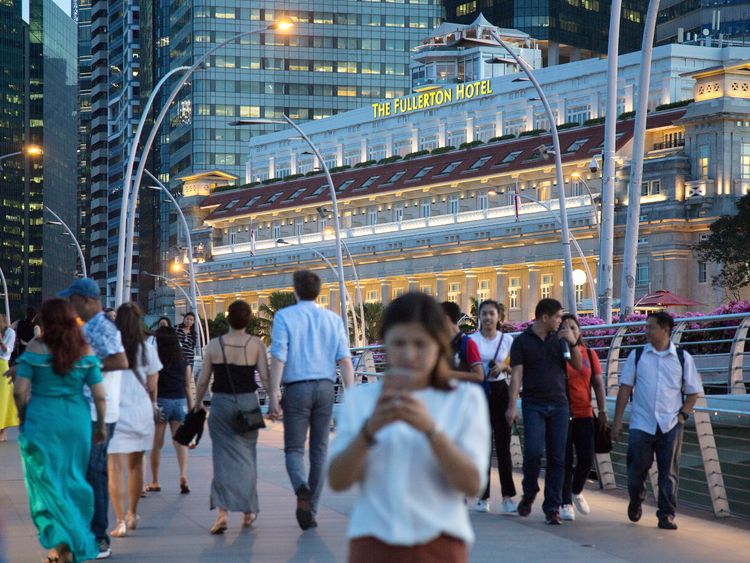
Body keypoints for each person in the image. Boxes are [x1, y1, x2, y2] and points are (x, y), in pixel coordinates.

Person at [328, 292, 490, 563]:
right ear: (386, 345)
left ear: (438, 345)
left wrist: (431, 431)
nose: (409, 354)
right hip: (373, 542)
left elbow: (472, 484)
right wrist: (369, 431)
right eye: (399, 343)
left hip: (440, 542)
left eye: (420, 343)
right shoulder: (361, 399)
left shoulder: (463, 399)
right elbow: (337, 480)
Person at [12, 298, 107, 563]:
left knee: (46, 483)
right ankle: (67, 544)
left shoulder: (36, 347)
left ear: (45, 320)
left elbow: (20, 390)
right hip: (76, 422)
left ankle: (63, 543)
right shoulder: (85, 350)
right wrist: (100, 425)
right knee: (73, 478)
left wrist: (23, 415)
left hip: (42, 422)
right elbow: (100, 396)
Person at [268, 270, 355, 530]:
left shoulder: (284, 317)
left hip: (297, 388)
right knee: (319, 451)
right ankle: (312, 509)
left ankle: (300, 487)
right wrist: (351, 395)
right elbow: (345, 361)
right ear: (318, 291)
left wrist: (273, 393)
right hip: (326, 387)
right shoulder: (332, 319)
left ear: (295, 289)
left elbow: (279, 357)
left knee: (294, 449)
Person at [612, 311, 702, 530]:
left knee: (668, 472)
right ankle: (636, 499)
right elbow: (625, 389)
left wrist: (682, 415)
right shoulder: (638, 355)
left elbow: (693, 391)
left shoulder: (682, 358)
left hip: (670, 424)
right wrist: (617, 421)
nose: (647, 331)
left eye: (651, 327)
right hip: (641, 423)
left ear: (665, 329)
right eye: (647, 326)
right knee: (636, 470)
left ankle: (666, 515)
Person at [60, 277, 129, 560]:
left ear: (87, 300)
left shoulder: (102, 326)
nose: (70, 305)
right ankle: (89, 531)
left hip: (99, 412)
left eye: (73, 300)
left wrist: (85, 364)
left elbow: (121, 361)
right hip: (87, 410)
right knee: (87, 472)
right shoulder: (87, 326)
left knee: (94, 473)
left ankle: (100, 538)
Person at [194, 300, 270, 534]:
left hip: (221, 404)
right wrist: (276, 403)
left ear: (228, 319)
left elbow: (204, 380)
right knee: (248, 458)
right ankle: (248, 512)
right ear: (249, 320)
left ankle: (222, 513)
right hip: (248, 403)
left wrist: (197, 404)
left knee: (222, 459)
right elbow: (266, 380)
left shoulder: (215, 345)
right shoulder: (256, 344)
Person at [506, 298, 581, 525]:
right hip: (533, 404)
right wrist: (511, 406)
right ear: (545, 317)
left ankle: (552, 508)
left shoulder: (560, 340)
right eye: (558, 317)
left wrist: (573, 342)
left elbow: (578, 366)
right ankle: (529, 493)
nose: (561, 322)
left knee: (558, 457)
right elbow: (517, 375)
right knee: (534, 452)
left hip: (559, 404)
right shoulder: (522, 342)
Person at [108, 303, 162, 537]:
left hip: (113, 411)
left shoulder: (109, 348)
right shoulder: (147, 349)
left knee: (115, 467)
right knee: (136, 464)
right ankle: (131, 513)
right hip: (140, 411)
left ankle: (119, 521)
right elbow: (152, 386)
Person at [468, 300, 517, 514]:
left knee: (504, 446)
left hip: (500, 392)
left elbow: (515, 366)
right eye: (484, 314)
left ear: (499, 317)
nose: (488, 318)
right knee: (483, 447)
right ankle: (483, 496)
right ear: (479, 317)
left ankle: (507, 497)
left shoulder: (507, 340)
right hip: (479, 394)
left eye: (491, 314)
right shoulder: (472, 340)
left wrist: (503, 366)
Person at [559, 314, 607, 521]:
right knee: (564, 460)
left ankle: (576, 490)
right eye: (564, 327)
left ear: (579, 331)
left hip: (584, 413)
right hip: (561, 414)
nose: (570, 330)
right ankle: (565, 503)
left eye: (573, 327)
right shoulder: (557, 354)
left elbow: (597, 384)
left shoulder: (589, 354)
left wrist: (603, 410)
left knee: (586, 457)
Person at [148, 326, 193, 494]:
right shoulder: (183, 359)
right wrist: (191, 408)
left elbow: (153, 385)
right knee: (180, 442)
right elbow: (188, 386)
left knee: (157, 444)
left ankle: (155, 481)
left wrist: (152, 403)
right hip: (180, 401)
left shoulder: (157, 359)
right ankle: (183, 475)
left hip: (162, 401)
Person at [440, 302, 483, 384]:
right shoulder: (441, 343)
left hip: (462, 394)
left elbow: (479, 376)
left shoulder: (468, 343)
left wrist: (448, 374)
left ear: (446, 319)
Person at [0, 315, 18, 442]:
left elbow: (7, 352)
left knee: (4, 398)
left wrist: (1, 341)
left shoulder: (10, 332)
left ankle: (3, 431)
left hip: (2, 365)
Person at [176, 312, 197, 381]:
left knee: (187, 380)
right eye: (187, 319)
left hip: (189, 359)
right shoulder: (176, 328)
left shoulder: (194, 333)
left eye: (191, 320)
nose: (189, 321)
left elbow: (192, 346)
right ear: (184, 319)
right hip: (178, 358)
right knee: (178, 379)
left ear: (193, 322)